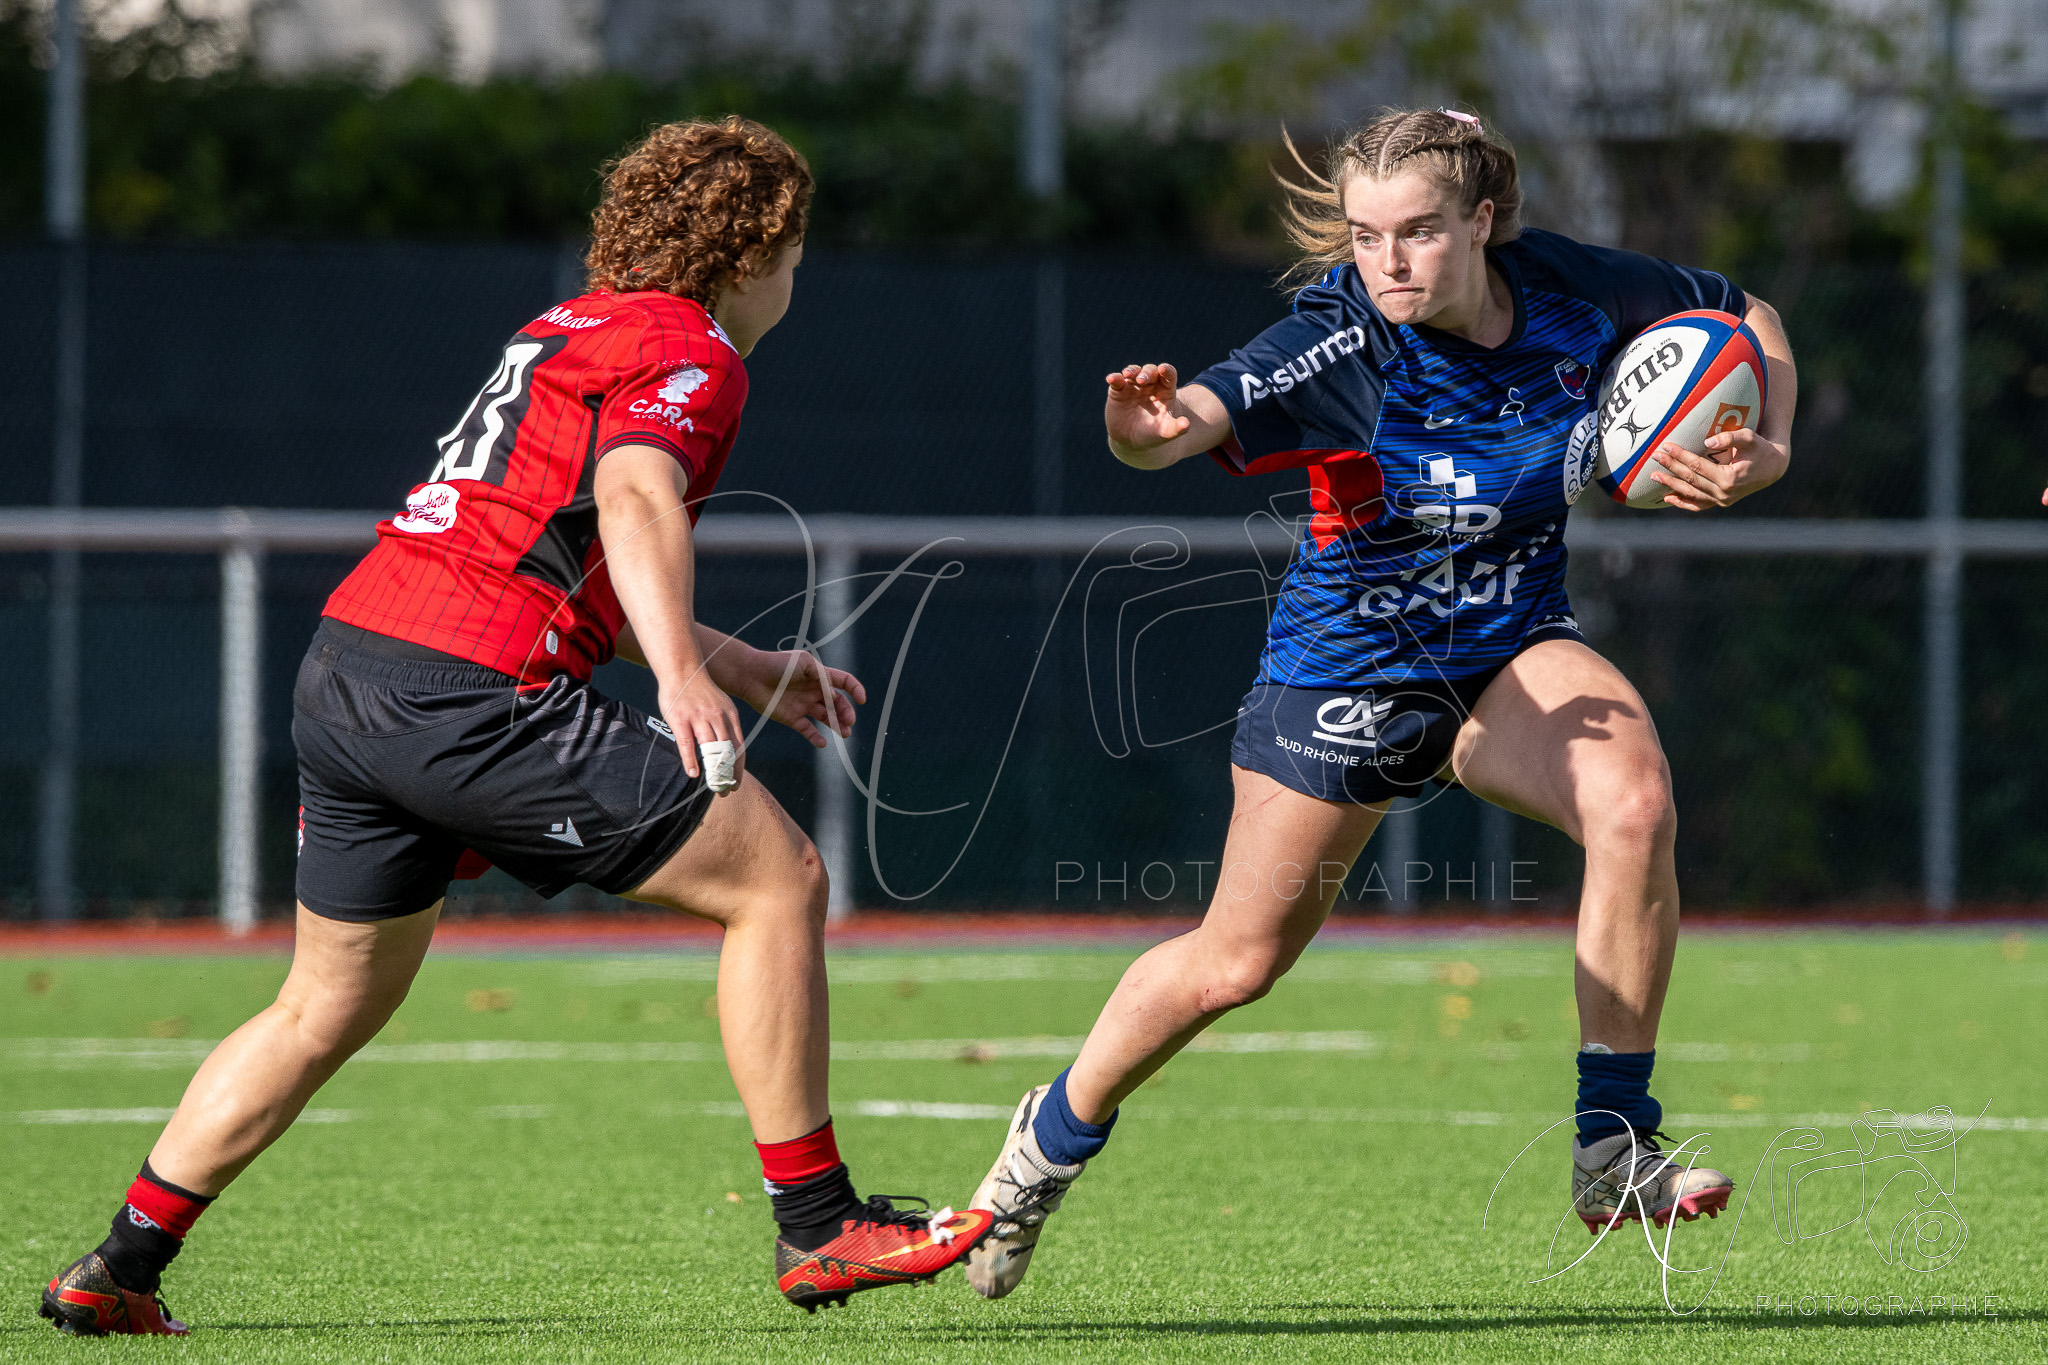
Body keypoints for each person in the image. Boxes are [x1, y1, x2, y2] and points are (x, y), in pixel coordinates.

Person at [39, 116, 990, 1338]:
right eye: (797, 252)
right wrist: (679, 686)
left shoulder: (569, 326)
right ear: (754, 254)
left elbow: (552, 548)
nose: (796, 277)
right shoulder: (695, 348)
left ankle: (117, 1266)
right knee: (775, 881)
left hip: (352, 666)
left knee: (322, 1003)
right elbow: (635, 495)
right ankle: (817, 1227)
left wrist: (740, 665)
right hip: (464, 687)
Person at [964, 107, 1798, 1298]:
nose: (1386, 261)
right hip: (1346, 668)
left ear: (1483, 223)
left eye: (1415, 232)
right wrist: (1143, 427)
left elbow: (1742, 313)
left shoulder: (1567, 287)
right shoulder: (1343, 338)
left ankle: (1611, 1145)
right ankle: (1042, 1150)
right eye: (1363, 235)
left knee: (1634, 802)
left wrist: (1760, 440)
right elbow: (1190, 418)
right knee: (1234, 964)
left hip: (1509, 648)